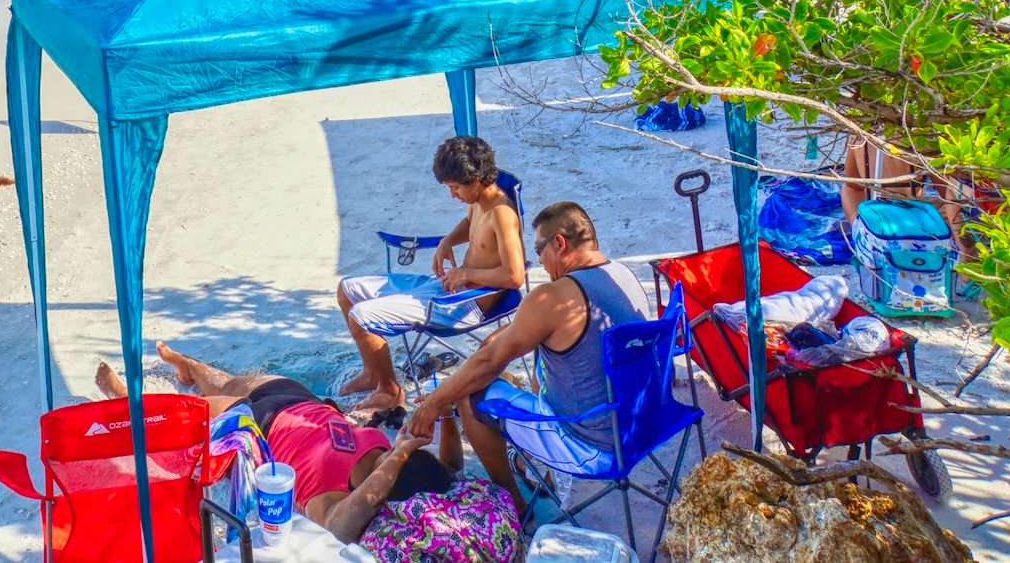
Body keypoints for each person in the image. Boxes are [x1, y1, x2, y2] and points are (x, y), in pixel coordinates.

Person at [404, 201, 649, 516]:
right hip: (641, 426)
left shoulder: (555, 296)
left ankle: (514, 507)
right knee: (541, 353)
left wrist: (436, 401)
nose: (540, 262)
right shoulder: (623, 276)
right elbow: (509, 337)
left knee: (469, 395)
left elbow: (488, 364)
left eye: (539, 250)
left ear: (559, 243)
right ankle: (528, 460)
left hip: (590, 446)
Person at [95, 344, 469, 546]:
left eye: (393, 460)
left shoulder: (337, 500)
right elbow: (452, 468)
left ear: (385, 486)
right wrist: (447, 417)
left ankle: (122, 395)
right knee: (230, 381)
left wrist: (398, 455)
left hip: (253, 427)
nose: (388, 453)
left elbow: (340, 527)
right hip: (301, 402)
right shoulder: (387, 455)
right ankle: (188, 367)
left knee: (179, 416)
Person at [339, 137, 525, 420]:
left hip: (463, 305)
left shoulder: (502, 214)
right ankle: (372, 373)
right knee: (347, 289)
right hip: (448, 287)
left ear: (475, 179)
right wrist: (447, 241)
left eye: (455, 187)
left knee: (360, 315)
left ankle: (390, 392)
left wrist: (466, 273)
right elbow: (470, 223)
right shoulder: (480, 198)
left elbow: (515, 275)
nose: (452, 194)